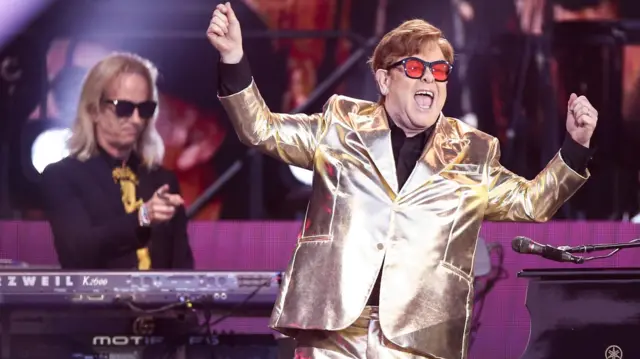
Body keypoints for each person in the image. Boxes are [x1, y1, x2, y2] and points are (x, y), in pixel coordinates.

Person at [207, 2, 597, 358]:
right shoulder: (342, 124)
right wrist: (233, 57)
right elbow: (261, 129)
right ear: (384, 80)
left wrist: (575, 148)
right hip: (332, 328)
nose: (430, 78)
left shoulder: (474, 152)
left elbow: (532, 203)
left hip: (419, 334)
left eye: (439, 71)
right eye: (415, 68)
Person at [40, 52, 194, 270]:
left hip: (160, 305)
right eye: (124, 108)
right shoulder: (63, 176)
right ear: (94, 110)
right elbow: (77, 251)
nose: (136, 119)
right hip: (99, 302)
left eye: (145, 109)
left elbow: (182, 268)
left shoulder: (163, 180)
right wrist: (143, 217)